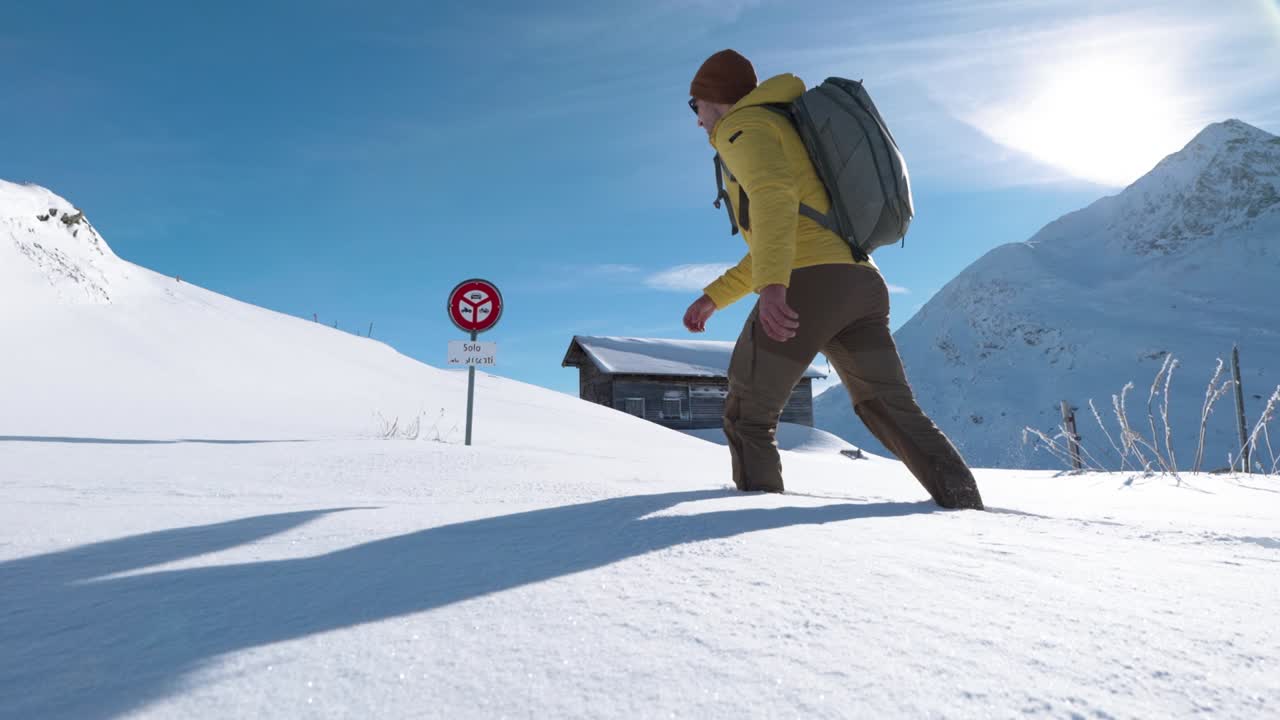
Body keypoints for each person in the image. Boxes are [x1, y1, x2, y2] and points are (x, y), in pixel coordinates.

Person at [681, 49, 984, 510]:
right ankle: (963, 504)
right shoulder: (784, 127)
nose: (697, 119)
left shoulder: (742, 129)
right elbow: (789, 232)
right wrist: (713, 298)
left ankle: (753, 530)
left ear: (712, 98)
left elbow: (774, 200)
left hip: (810, 283)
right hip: (860, 282)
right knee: (888, 406)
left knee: (748, 414)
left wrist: (774, 286)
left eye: (694, 105)